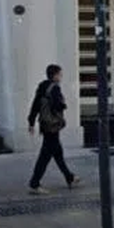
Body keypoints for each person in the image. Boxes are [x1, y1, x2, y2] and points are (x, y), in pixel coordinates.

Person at [27, 64, 79, 195]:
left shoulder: (42, 87)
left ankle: (69, 177)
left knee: (57, 152)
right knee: (45, 156)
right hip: (53, 125)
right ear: (55, 75)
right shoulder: (55, 88)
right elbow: (57, 105)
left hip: (45, 125)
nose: (61, 77)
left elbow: (35, 104)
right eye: (60, 74)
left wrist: (31, 122)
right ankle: (34, 183)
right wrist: (63, 105)